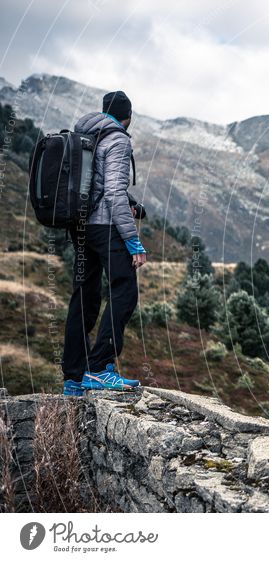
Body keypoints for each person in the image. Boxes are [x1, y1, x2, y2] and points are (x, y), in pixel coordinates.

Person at [61, 91, 147, 396]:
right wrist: (134, 242)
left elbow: (97, 184)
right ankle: (99, 368)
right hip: (105, 227)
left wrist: (130, 202)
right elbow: (112, 193)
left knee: (84, 297)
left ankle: (73, 378)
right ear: (128, 116)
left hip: (80, 227)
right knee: (124, 290)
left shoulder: (84, 133)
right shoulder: (119, 140)